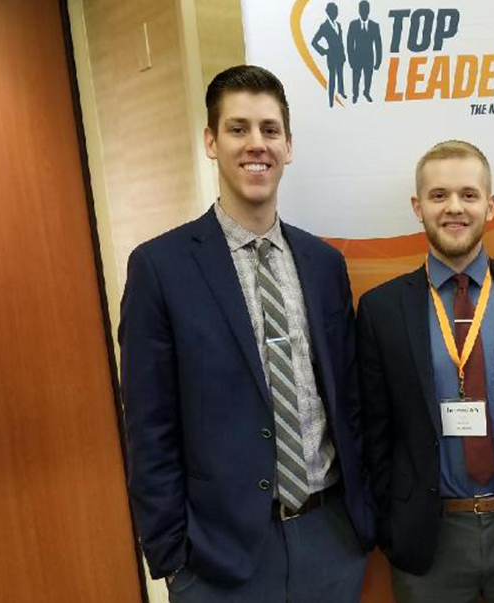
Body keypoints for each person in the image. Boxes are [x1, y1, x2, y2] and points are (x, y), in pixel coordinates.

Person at [119, 64, 374, 602]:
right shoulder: (160, 268)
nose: (256, 143)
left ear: (288, 146)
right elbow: (149, 426)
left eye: (269, 129)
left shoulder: (324, 264)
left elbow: (349, 400)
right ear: (211, 142)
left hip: (330, 537)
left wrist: (361, 521)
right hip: (220, 559)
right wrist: (171, 558)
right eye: (238, 129)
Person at [357, 140, 494, 602]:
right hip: (429, 538)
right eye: (438, 195)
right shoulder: (381, 310)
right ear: (418, 207)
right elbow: (374, 432)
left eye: (468, 195)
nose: (454, 207)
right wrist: (390, 526)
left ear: (490, 206)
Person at [311, 2, 347, 108]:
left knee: (340, 75)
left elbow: (340, 41)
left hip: (340, 55)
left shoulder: (338, 25)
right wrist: (323, 51)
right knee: (332, 78)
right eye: (334, 11)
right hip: (331, 56)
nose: (335, 13)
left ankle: (341, 92)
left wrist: (343, 54)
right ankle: (331, 99)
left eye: (336, 11)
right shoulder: (324, 26)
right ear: (329, 12)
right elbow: (314, 41)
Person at [347, 1, 382, 103]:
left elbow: (378, 45)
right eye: (362, 9)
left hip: (369, 58)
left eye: (366, 9)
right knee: (355, 78)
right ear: (359, 10)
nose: (364, 11)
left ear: (369, 10)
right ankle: (355, 95)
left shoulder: (375, 26)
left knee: (368, 78)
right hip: (356, 58)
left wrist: (378, 61)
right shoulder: (353, 25)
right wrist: (351, 60)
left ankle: (366, 93)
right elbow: (349, 44)